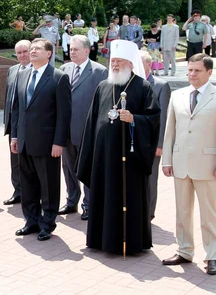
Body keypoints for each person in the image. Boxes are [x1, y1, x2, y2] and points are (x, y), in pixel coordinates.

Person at [77, 40, 160, 255]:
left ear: (130, 64)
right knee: (103, 196)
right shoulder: (103, 86)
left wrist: (134, 119)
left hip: (130, 159)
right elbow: (92, 120)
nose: (114, 65)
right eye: (112, 61)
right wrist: (90, 152)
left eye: (119, 61)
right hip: (104, 156)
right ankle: (99, 240)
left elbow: (153, 119)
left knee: (128, 197)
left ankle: (131, 243)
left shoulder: (143, 87)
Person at [10, 38, 71, 241]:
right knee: (27, 184)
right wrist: (15, 136)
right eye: (32, 48)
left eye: (38, 49)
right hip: (25, 141)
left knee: (48, 184)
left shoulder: (58, 77)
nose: (32, 51)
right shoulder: (23, 75)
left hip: (47, 142)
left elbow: (64, 114)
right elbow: (17, 108)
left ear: (48, 54)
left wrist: (59, 142)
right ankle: (31, 220)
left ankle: (47, 222)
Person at [161, 53, 216, 275]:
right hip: (181, 162)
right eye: (190, 70)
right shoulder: (178, 95)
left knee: (210, 212)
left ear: (209, 72)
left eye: (197, 71)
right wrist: (167, 159)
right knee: (182, 210)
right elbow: (170, 130)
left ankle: (213, 255)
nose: (191, 74)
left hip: (208, 163)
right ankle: (184, 250)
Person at [58, 35, 107, 221]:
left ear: (87, 50)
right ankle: (72, 201)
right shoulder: (64, 69)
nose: (72, 52)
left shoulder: (99, 72)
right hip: (66, 130)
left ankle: (89, 204)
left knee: (87, 168)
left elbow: (104, 103)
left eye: (75, 49)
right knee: (68, 167)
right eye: (70, 49)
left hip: (88, 130)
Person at [139, 51, 171, 220]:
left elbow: (164, 117)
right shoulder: (131, 84)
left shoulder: (160, 85)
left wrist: (160, 144)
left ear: (149, 65)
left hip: (152, 143)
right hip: (135, 141)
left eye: (139, 62)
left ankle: (149, 213)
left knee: (151, 178)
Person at [3, 40, 31, 206]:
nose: (21, 55)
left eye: (24, 52)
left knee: (28, 161)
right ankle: (18, 191)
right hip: (13, 122)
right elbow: (9, 97)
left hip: (28, 123)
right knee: (14, 160)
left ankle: (31, 192)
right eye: (19, 53)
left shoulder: (35, 70)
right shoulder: (12, 70)